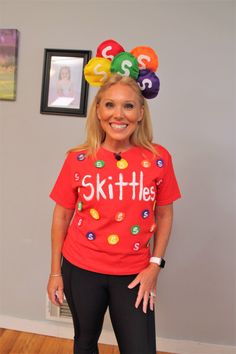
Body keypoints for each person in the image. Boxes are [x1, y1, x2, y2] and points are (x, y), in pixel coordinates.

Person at [47, 71, 181, 353]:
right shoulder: (78, 159)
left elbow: (164, 214)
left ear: (141, 113)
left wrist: (155, 264)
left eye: (128, 106)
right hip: (81, 269)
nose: (118, 115)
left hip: (134, 273)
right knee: (84, 342)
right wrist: (55, 273)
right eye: (109, 105)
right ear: (98, 110)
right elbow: (61, 216)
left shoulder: (158, 159)